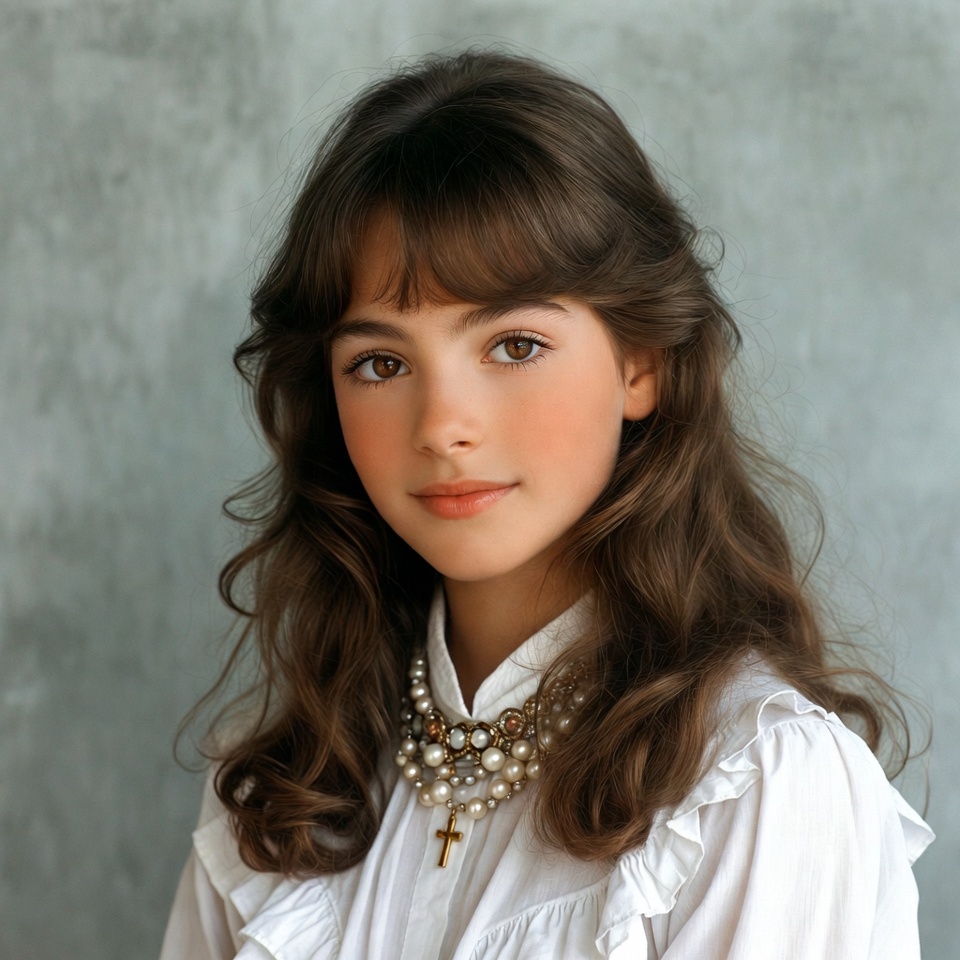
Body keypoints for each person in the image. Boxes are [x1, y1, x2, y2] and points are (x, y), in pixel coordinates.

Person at [160, 50, 933, 959]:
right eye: (381, 363)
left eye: (514, 345)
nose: (443, 425)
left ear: (641, 362)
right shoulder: (279, 792)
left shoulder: (754, 785)